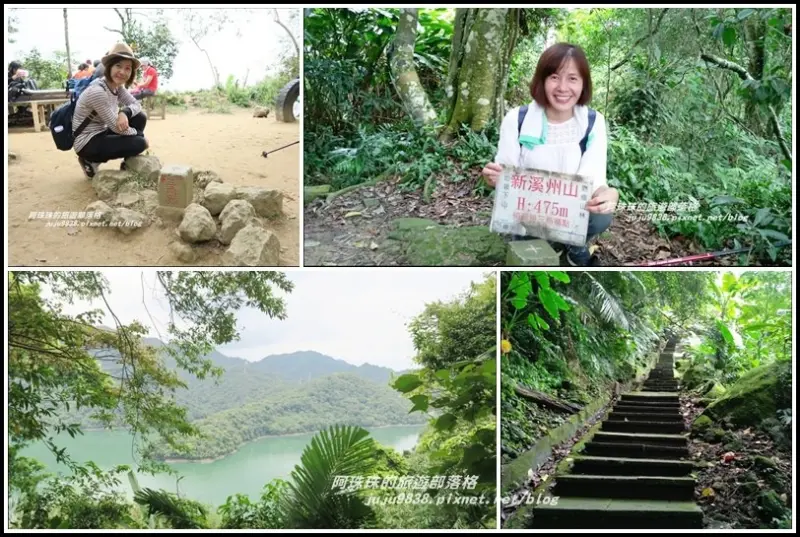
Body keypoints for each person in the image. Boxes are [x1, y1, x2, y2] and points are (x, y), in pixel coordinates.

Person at [481, 43, 619, 266]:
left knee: (601, 216)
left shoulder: (593, 122)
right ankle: (533, 239)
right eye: (554, 77)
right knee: (530, 258)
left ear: (583, 84)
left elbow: (594, 181)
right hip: (528, 213)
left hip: (571, 213)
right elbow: (504, 174)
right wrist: (494, 177)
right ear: (542, 80)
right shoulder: (518, 118)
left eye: (572, 78)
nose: (563, 87)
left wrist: (609, 193)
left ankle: (574, 243)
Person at [72, 43, 149, 179]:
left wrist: (124, 112)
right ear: (109, 66)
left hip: (102, 131)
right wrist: (140, 137)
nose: (122, 72)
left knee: (139, 117)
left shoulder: (116, 87)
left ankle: (128, 161)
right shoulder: (98, 91)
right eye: (118, 66)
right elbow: (117, 127)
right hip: (87, 141)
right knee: (140, 143)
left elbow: (136, 104)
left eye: (127, 68)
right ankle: (89, 160)